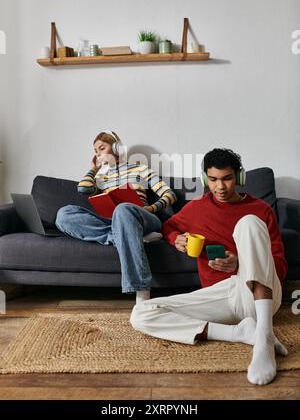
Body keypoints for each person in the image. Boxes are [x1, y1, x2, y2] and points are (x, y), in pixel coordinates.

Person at [130, 148, 288, 385]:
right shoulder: (197, 208)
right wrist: (177, 240)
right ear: (205, 179)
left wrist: (241, 262)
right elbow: (169, 226)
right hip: (220, 295)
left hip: (259, 296)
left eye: (227, 179)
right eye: (213, 180)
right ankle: (240, 333)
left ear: (239, 178)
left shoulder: (260, 210)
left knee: (249, 223)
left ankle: (264, 336)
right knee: (141, 314)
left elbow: (280, 267)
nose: (220, 187)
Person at [55, 131, 177, 303]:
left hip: (143, 217)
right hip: (114, 222)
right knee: (64, 214)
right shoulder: (101, 177)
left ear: (116, 148)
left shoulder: (140, 169)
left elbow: (169, 194)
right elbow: (82, 189)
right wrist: (93, 168)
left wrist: (150, 208)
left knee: (123, 209)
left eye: (101, 148)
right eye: (95, 150)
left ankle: (141, 289)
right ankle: (131, 237)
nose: (97, 153)